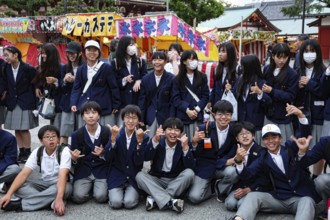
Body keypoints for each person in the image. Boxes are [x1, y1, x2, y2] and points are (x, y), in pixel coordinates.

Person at [231, 104, 320, 220]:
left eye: (274, 137)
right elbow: (247, 174)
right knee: (253, 197)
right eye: (267, 138)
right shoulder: (262, 156)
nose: (270, 141)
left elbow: (305, 135)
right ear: (263, 141)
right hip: (278, 199)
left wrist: (300, 115)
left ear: (280, 138)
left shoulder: (289, 148)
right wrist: (238, 160)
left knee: (308, 201)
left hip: (299, 197)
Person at [0, 125, 72, 216]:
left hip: (60, 184)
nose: (51, 139)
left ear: (58, 139)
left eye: (54, 136)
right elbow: (24, 174)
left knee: (65, 190)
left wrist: (59, 198)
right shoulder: (37, 152)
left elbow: (62, 175)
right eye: (47, 137)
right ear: (41, 141)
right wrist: (9, 194)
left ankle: (20, 204)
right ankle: (50, 202)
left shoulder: (64, 151)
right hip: (43, 183)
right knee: (19, 189)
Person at [135, 117, 195, 213]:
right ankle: (170, 202)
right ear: (164, 131)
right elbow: (146, 158)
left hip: (175, 180)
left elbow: (191, 167)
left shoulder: (183, 144)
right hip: (157, 179)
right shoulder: (158, 142)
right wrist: (155, 139)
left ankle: (156, 199)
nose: (173, 133)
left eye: (177, 130)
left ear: (181, 132)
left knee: (189, 173)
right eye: (170, 129)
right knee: (139, 176)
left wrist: (185, 149)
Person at [187, 100, 238, 204]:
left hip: (223, 166)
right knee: (194, 197)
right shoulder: (204, 128)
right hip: (205, 167)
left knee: (233, 172)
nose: (223, 117)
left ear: (231, 116)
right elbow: (197, 154)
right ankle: (212, 188)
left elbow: (233, 150)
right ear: (214, 115)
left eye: (227, 114)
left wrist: (225, 162)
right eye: (220, 114)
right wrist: (194, 141)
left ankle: (220, 187)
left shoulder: (235, 130)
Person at [294, 39, 327, 179]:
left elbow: (324, 92)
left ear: (318, 53)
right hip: (302, 114)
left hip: (318, 114)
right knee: (302, 145)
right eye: (306, 51)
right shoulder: (297, 71)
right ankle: (302, 175)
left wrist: (309, 83)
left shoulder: (323, 71)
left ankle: (316, 176)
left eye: (312, 51)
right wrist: (298, 87)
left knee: (318, 148)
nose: (309, 54)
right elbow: (291, 94)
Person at [1, 46, 39, 163]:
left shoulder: (27, 68)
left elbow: (36, 80)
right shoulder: (5, 68)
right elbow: (4, 82)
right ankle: (21, 151)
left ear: (15, 55)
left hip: (25, 101)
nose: (5, 57)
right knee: (17, 129)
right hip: (12, 101)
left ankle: (27, 151)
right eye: (5, 55)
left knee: (24, 129)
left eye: (7, 55)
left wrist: (37, 89)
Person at [107, 105, 149, 209]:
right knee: (116, 203)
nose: (130, 121)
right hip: (117, 175)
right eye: (127, 117)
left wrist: (139, 142)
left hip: (133, 176)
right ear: (123, 119)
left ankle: (135, 193)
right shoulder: (115, 133)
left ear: (139, 120)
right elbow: (108, 157)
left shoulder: (144, 136)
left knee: (129, 203)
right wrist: (113, 139)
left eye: (134, 118)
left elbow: (139, 162)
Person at [70, 40, 120, 128]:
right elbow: (77, 88)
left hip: (103, 107)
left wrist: (116, 104)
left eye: (95, 50)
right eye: (89, 50)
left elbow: (113, 87)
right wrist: (73, 102)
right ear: (84, 52)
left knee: (105, 134)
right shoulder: (81, 69)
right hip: (85, 106)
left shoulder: (106, 68)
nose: (92, 53)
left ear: (99, 52)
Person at [70, 101, 111, 204]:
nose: (91, 116)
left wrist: (103, 154)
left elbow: (113, 156)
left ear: (99, 116)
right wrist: (74, 159)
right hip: (84, 171)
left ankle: (96, 190)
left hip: (101, 170)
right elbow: (73, 158)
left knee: (101, 197)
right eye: (87, 113)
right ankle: (92, 189)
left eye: (94, 112)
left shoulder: (107, 132)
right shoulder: (76, 134)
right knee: (77, 197)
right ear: (83, 117)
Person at [224, 122, 271, 211]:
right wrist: (231, 160)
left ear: (253, 136)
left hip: (255, 186)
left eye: (248, 133)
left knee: (241, 205)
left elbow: (264, 177)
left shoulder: (261, 151)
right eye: (241, 134)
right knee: (230, 205)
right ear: (237, 138)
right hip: (240, 185)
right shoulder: (235, 149)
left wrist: (249, 189)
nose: (245, 136)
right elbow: (221, 160)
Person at [263, 42, 299, 144]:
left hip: (283, 115)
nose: (282, 60)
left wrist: (272, 91)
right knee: (268, 145)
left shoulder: (292, 74)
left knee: (284, 146)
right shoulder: (267, 69)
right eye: (279, 57)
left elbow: (290, 96)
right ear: (273, 56)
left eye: (285, 57)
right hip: (268, 114)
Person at [171, 50, 209, 140]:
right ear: (184, 61)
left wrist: (197, 109)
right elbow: (175, 98)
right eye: (191, 59)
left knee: (198, 142)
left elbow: (206, 95)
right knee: (184, 142)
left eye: (195, 59)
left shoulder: (202, 77)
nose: (194, 61)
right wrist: (187, 110)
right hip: (183, 116)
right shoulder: (177, 79)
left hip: (197, 115)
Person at [234, 54, 271, 145]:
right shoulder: (240, 80)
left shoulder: (262, 83)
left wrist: (260, 93)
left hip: (255, 124)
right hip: (241, 122)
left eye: (243, 66)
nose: (241, 68)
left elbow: (269, 102)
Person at [111, 36, 147, 126]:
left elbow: (146, 76)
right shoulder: (115, 63)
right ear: (124, 46)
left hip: (137, 101)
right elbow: (113, 82)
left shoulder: (140, 61)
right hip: (122, 103)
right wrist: (124, 80)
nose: (133, 47)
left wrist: (139, 81)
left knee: (135, 129)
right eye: (130, 45)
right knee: (121, 128)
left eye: (133, 44)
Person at [138, 51, 174, 138]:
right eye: (154, 60)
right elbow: (142, 99)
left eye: (160, 59)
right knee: (150, 141)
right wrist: (141, 117)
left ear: (165, 62)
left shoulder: (171, 78)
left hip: (166, 116)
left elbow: (173, 100)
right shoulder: (146, 79)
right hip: (150, 116)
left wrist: (172, 118)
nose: (157, 62)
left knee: (165, 142)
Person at [58, 41, 84, 144]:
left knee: (81, 131)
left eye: (73, 53)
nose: (70, 55)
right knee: (64, 132)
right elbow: (60, 87)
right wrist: (64, 80)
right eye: (68, 53)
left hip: (81, 103)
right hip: (67, 103)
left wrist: (76, 80)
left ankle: (79, 153)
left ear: (80, 54)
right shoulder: (64, 68)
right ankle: (62, 152)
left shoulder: (85, 67)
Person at [208, 42, 239, 111]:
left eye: (223, 51)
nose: (220, 54)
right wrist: (210, 101)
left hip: (230, 107)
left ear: (230, 53)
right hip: (217, 106)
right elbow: (215, 88)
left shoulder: (237, 70)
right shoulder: (216, 69)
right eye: (219, 51)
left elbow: (239, 91)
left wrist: (230, 90)